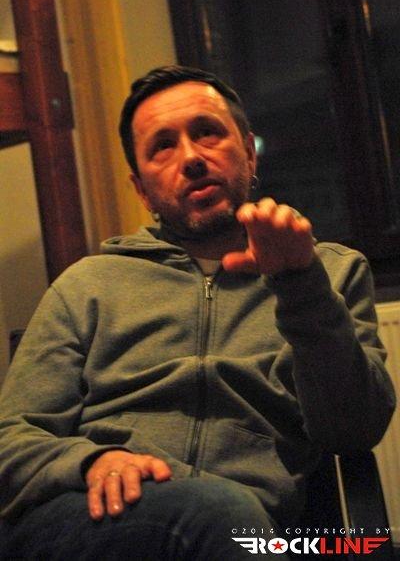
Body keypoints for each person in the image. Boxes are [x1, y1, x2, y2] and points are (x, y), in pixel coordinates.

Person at [0, 65, 395, 560]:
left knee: (242, 524)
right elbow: (12, 439)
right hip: (95, 521)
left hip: (247, 532)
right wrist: (91, 462)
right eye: (163, 146)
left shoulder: (328, 273)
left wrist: (299, 284)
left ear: (248, 152)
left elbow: (354, 430)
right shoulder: (87, 285)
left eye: (207, 132)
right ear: (142, 189)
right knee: (223, 516)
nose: (190, 158)